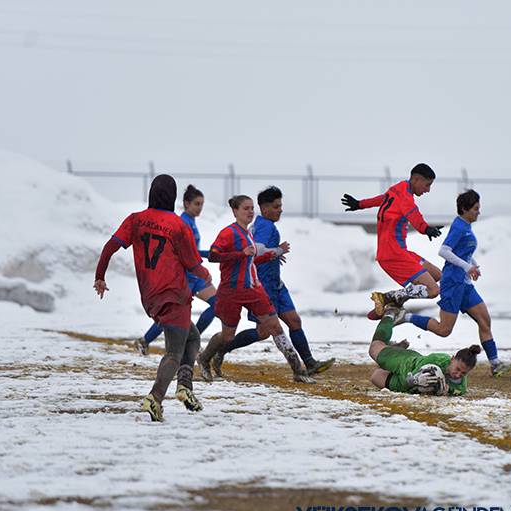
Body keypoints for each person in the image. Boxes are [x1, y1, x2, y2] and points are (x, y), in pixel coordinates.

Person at [94, 174, 210, 422]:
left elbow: (110, 246)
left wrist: (100, 276)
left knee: (193, 337)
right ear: (174, 196)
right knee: (174, 352)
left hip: (150, 296)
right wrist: (206, 274)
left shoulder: (136, 220)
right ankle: (155, 398)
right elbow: (192, 264)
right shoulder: (179, 225)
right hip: (175, 294)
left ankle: (185, 387)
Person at [208, 186, 335, 378]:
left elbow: (258, 252)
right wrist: (275, 252)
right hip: (263, 286)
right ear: (265, 208)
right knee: (263, 332)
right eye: (276, 207)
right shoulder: (264, 227)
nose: (280, 210)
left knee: (294, 321)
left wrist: (273, 254)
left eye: (281, 206)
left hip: (276, 284)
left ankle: (308, 363)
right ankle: (221, 351)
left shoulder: (261, 226)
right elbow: (255, 252)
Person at [396, 189, 511, 377]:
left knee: (484, 320)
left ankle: (495, 363)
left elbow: (462, 252)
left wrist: (473, 265)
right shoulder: (459, 227)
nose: (478, 212)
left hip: (464, 284)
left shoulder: (466, 226)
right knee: (444, 330)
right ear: (465, 209)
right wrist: (467, 267)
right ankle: (404, 317)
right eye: (475, 208)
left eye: (479, 208)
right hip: (452, 282)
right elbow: (444, 251)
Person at [341, 163, 444, 317]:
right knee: (433, 290)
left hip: (399, 252)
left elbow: (382, 199)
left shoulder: (399, 188)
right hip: (393, 255)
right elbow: (414, 215)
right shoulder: (406, 198)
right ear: (416, 179)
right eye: (427, 185)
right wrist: (425, 229)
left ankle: (393, 301)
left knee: (439, 276)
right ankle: (390, 297)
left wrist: (359, 204)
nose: (428, 190)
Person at [134, 184, 217, 355]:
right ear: (186, 204)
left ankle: (194, 338)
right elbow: (184, 252)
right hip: (184, 277)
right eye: (196, 204)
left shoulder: (191, 222)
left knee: (218, 304)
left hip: (195, 276)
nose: (200, 208)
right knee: (171, 316)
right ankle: (144, 340)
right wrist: (209, 254)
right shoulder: (182, 222)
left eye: (201, 204)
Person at [368, 305, 480, 396]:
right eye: (458, 369)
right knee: (374, 348)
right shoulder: (437, 359)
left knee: (375, 377)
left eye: (464, 373)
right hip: (405, 363)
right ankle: (390, 313)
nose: (458, 374)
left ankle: (393, 348)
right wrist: (415, 380)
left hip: (405, 387)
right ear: (452, 359)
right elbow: (413, 375)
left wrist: (443, 392)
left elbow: (446, 394)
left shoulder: (460, 388)